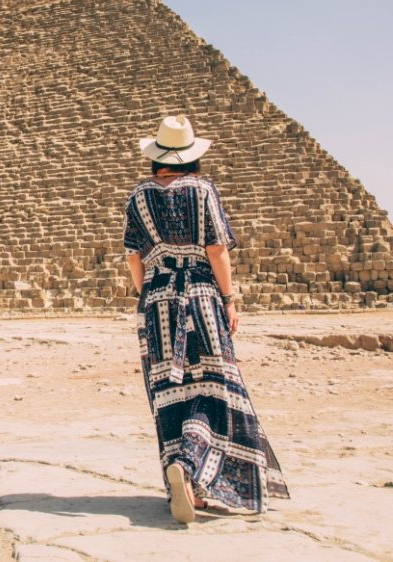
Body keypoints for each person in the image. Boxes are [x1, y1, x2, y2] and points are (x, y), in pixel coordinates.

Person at [123, 114, 289, 524]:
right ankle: (192, 463)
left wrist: (148, 292)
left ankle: (182, 480)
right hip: (200, 297)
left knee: (168, 393)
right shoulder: (203, 190)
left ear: (157, 155)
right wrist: (229, 299)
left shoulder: (138, 197)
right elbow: (217, 250)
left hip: (158, 301)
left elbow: (132, 256)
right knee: (215, 386)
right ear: (191, 156)